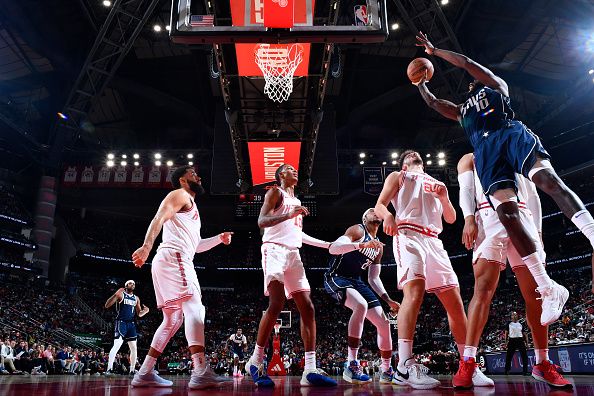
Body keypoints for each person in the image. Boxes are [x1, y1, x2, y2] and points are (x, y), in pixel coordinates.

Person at [413, 31, 591, 301]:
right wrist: (420, 83)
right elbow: (434, 103)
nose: (472, 82)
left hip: (509, 134)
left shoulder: (495, 88)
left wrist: (435, 51)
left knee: (548, 182)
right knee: (507, 215)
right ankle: (548, 287)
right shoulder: (463, 111)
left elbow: (466, 63)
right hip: (485, 152)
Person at [375, 150, 492, 390]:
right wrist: (388, 216)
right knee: (414, 293)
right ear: (405, 163)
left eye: (416, 153)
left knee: (456, 304)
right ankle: (404, 366)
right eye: (410, 154)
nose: (414, 154)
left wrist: (445, 197)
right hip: (407, 234)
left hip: (434, 241)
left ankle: (468, 364)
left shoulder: (436, 183)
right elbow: (379, 205)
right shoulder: (399, 176)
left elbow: (450, 218)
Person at [454, 153, 571, 388]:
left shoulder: (516, 149)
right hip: (487, 216)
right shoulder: (470, 158)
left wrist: (537, 231)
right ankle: (468, 361)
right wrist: (468, 218)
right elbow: (466, 190)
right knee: (483, 291)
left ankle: (542, 362)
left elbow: (533, 194)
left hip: (522, 215)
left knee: (536, 294)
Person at [131, 166, 234, 389]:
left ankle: (145, 372)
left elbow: (196, 246)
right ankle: (200, 371)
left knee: (173, 320)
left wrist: (219, 238)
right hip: (174, 257)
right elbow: (159, 216)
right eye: (192, 173)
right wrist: (147, 246)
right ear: (182, 180)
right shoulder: (180, 194)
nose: (199, 175)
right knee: (195, 308)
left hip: (171, 259)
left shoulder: (191, 207)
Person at [245, 163, 337, 388]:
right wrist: (288, 214)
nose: (295, 171)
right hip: (274, 250)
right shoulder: (275, 192)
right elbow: (262, 221)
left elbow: (298, 233)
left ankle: (310, 369)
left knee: (308, 307)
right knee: (276, 303)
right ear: (280, 176)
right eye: (289, 169)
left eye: (295, 169)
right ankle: (255, 362)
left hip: (293, 254)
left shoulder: (297, 202)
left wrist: (326, 245)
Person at [324, 208, 400, 384]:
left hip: (357, 281)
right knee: (361, 305)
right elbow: (335, 247)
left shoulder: (379, 247)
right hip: (336, 276)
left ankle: (386, 369)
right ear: (364, 218)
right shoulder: (358, 230)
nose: (375, 212)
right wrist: (361, 245)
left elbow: (373, 278)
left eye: (377, 211)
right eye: (371, 211)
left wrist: (387, 299)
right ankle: (351, 365)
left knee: (384, 322)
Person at [104, 280, 149, 376]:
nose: (132, 285)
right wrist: (115, 294)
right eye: (130, 283)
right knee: (117, 345)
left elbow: (139, 314)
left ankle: (132, 370)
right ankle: (109, 369)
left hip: (131, 324)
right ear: (126, 285)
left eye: (134, 284)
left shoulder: (136, 298)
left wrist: (146, 311)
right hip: (121, 322)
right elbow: (107, 305)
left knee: (134, 348)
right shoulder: (121, 294)